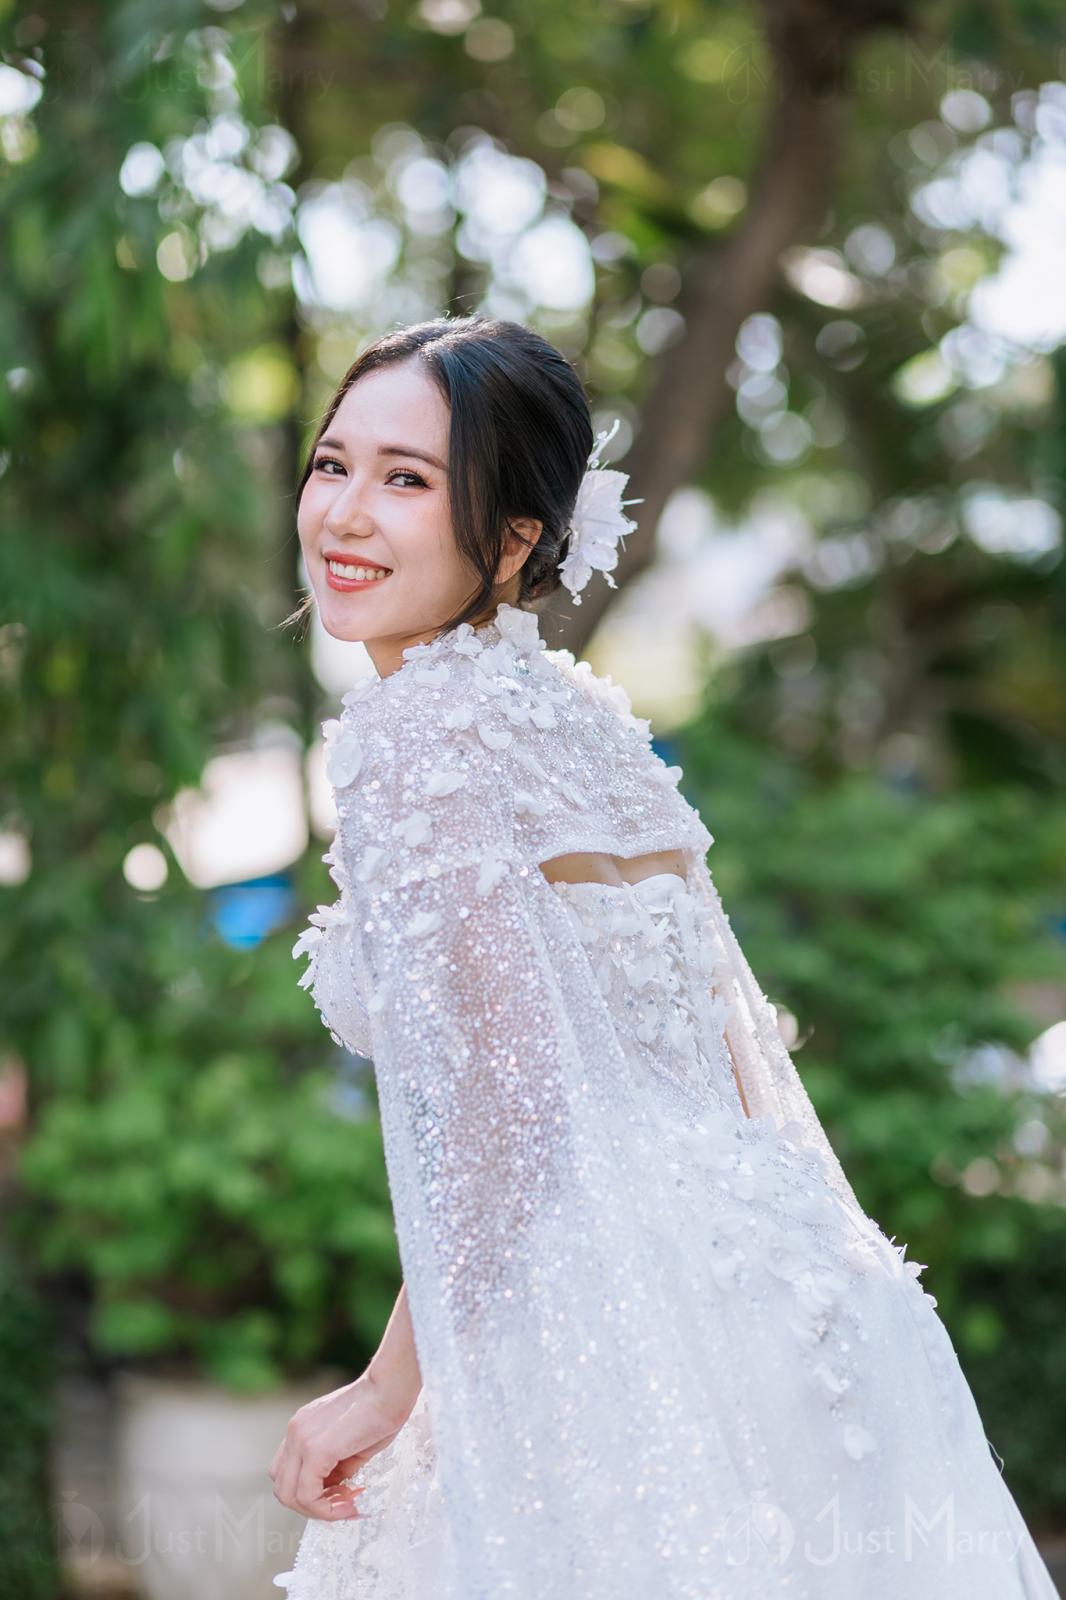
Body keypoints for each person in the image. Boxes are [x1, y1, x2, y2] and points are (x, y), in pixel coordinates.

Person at [270, 314, 1058, 1598]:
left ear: (513, 537)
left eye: (406, 479)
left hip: (606, 1316)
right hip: (795, 1280)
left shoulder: (411, 735)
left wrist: (385, 1387)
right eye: (331, 463)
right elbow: (725, 1053)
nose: (346, 513)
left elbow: (510, 1109)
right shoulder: (584, 718)